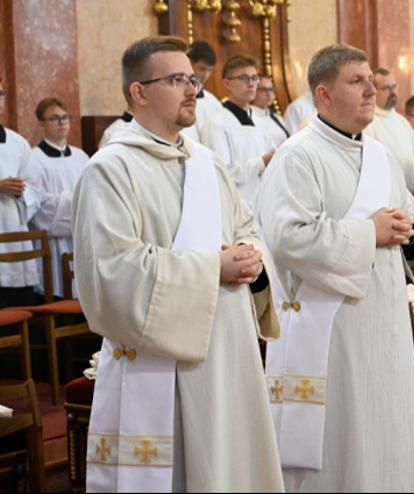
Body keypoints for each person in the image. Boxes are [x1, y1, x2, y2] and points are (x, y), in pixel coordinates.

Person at [72, 35, 283, 492]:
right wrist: (214, 269)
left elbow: (247, 225)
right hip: (162, 364)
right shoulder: (111, 169)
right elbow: (111, 272)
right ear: (139, 92)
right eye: (176, 80)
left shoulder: (208, 163)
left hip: (228, 349)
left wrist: (251, 257)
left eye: (192, 80)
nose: (192, 90)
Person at [258, 43, 414, 492]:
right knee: (343, 443)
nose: (372, 90)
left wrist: (410, 234)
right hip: (332, 332)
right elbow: (288, 238)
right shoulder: (298, 156)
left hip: (384, 323)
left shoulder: (381, 156)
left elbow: (412, 218)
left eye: (371, 80)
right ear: (324, 93)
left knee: (384, 431)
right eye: (357, 81)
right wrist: (370, 232)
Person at [28, 97, 88, 297]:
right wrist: (78, 202)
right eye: (54, 118)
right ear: (41, 124)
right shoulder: (33, 159)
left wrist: (80, 203)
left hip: (79, 240)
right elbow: (39, 207)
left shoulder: (81, 157)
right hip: (52, 245)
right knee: (56, 289)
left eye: (65, 117)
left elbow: (93, 193)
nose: (62, 122)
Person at [201, 55, 274, 209]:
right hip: (235, 209)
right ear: (227, 83)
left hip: (262, 205)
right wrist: (261, 161)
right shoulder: (216, 124)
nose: (251, 84)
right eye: (243, 78)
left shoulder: (260, 123)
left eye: (254, 78)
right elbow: (223, 174)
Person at [0, 77, 41, 308]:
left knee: (19, 306)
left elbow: (34, 188)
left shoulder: (18, 143)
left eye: (0, 95)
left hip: (15, 233)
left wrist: (21, 192)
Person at [365, 67, 414, 200]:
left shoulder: (402, 122)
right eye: (386, 88)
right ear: (373, 91)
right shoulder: (368, 123)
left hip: (412, 196)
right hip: (386, 198)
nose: (393, 92)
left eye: (394, 87)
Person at [187, 40, 222, 139]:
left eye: (210, 70)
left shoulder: (213, 103)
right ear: (189, 63)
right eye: (202, 69)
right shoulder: (175, 98)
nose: (206, 75)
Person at [252, 74, 290, 148]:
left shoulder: (277, 118)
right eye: (263, 90)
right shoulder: (249, 118)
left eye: (271, 89)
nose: (269, 94)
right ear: (254, 91)